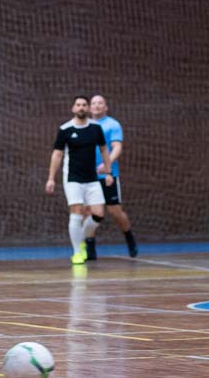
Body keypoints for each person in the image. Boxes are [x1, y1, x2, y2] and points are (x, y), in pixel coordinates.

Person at [46, 97, 110, 265]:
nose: (81, 107)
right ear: (73, 108)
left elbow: (104, 149)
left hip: (92, 179)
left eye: (84, 105)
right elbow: (57, 154)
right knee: (76, 212)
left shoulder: (96, 128)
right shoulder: (65, 129)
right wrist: (51, 178)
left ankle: (80, 237)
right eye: (78, 105)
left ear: (88, 108)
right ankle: (77, 252)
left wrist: (108, 171)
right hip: (73, 178)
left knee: (98, 214)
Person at [81, 94, 139, 259]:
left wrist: (107, 165)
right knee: (88, 212)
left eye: (100, 103)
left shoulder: (112, 124)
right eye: (93, 103)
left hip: (107, 175)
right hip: (88, 176)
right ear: (89, 108)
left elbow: (117, 147)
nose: (97, 105)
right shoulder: (83, 125)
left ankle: (129, 237)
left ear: (105, 107)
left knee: (115, 211)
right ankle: (90, 248)